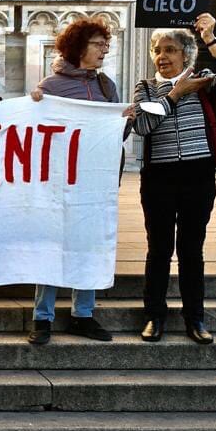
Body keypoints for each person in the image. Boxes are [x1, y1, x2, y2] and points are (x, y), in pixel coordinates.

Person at [132, 12, 216, 345]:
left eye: (170, 50)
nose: (162, 57)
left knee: (192, 250)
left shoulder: (203, 82)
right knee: (159, 249)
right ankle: (154, 315)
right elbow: (141, 126)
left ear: (185, 55)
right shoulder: (146, 89)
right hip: (159, 179)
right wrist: (175, 95)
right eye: (158, 51)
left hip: (197, 176)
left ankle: (195, 317)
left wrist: (211, 38)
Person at [26, 17, 132, 346]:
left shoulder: (105, 86)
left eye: (106, 44)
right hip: (59, 182)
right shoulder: (52, 87)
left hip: (96, 181)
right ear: (79, 47)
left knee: (88, 245)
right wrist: (32, 107)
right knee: (52, 245)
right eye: (98, 44)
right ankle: (42, 317)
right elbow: (35, 134)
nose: (105, 50)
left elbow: (115, 136)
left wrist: (123, 123)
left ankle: (82, 314)